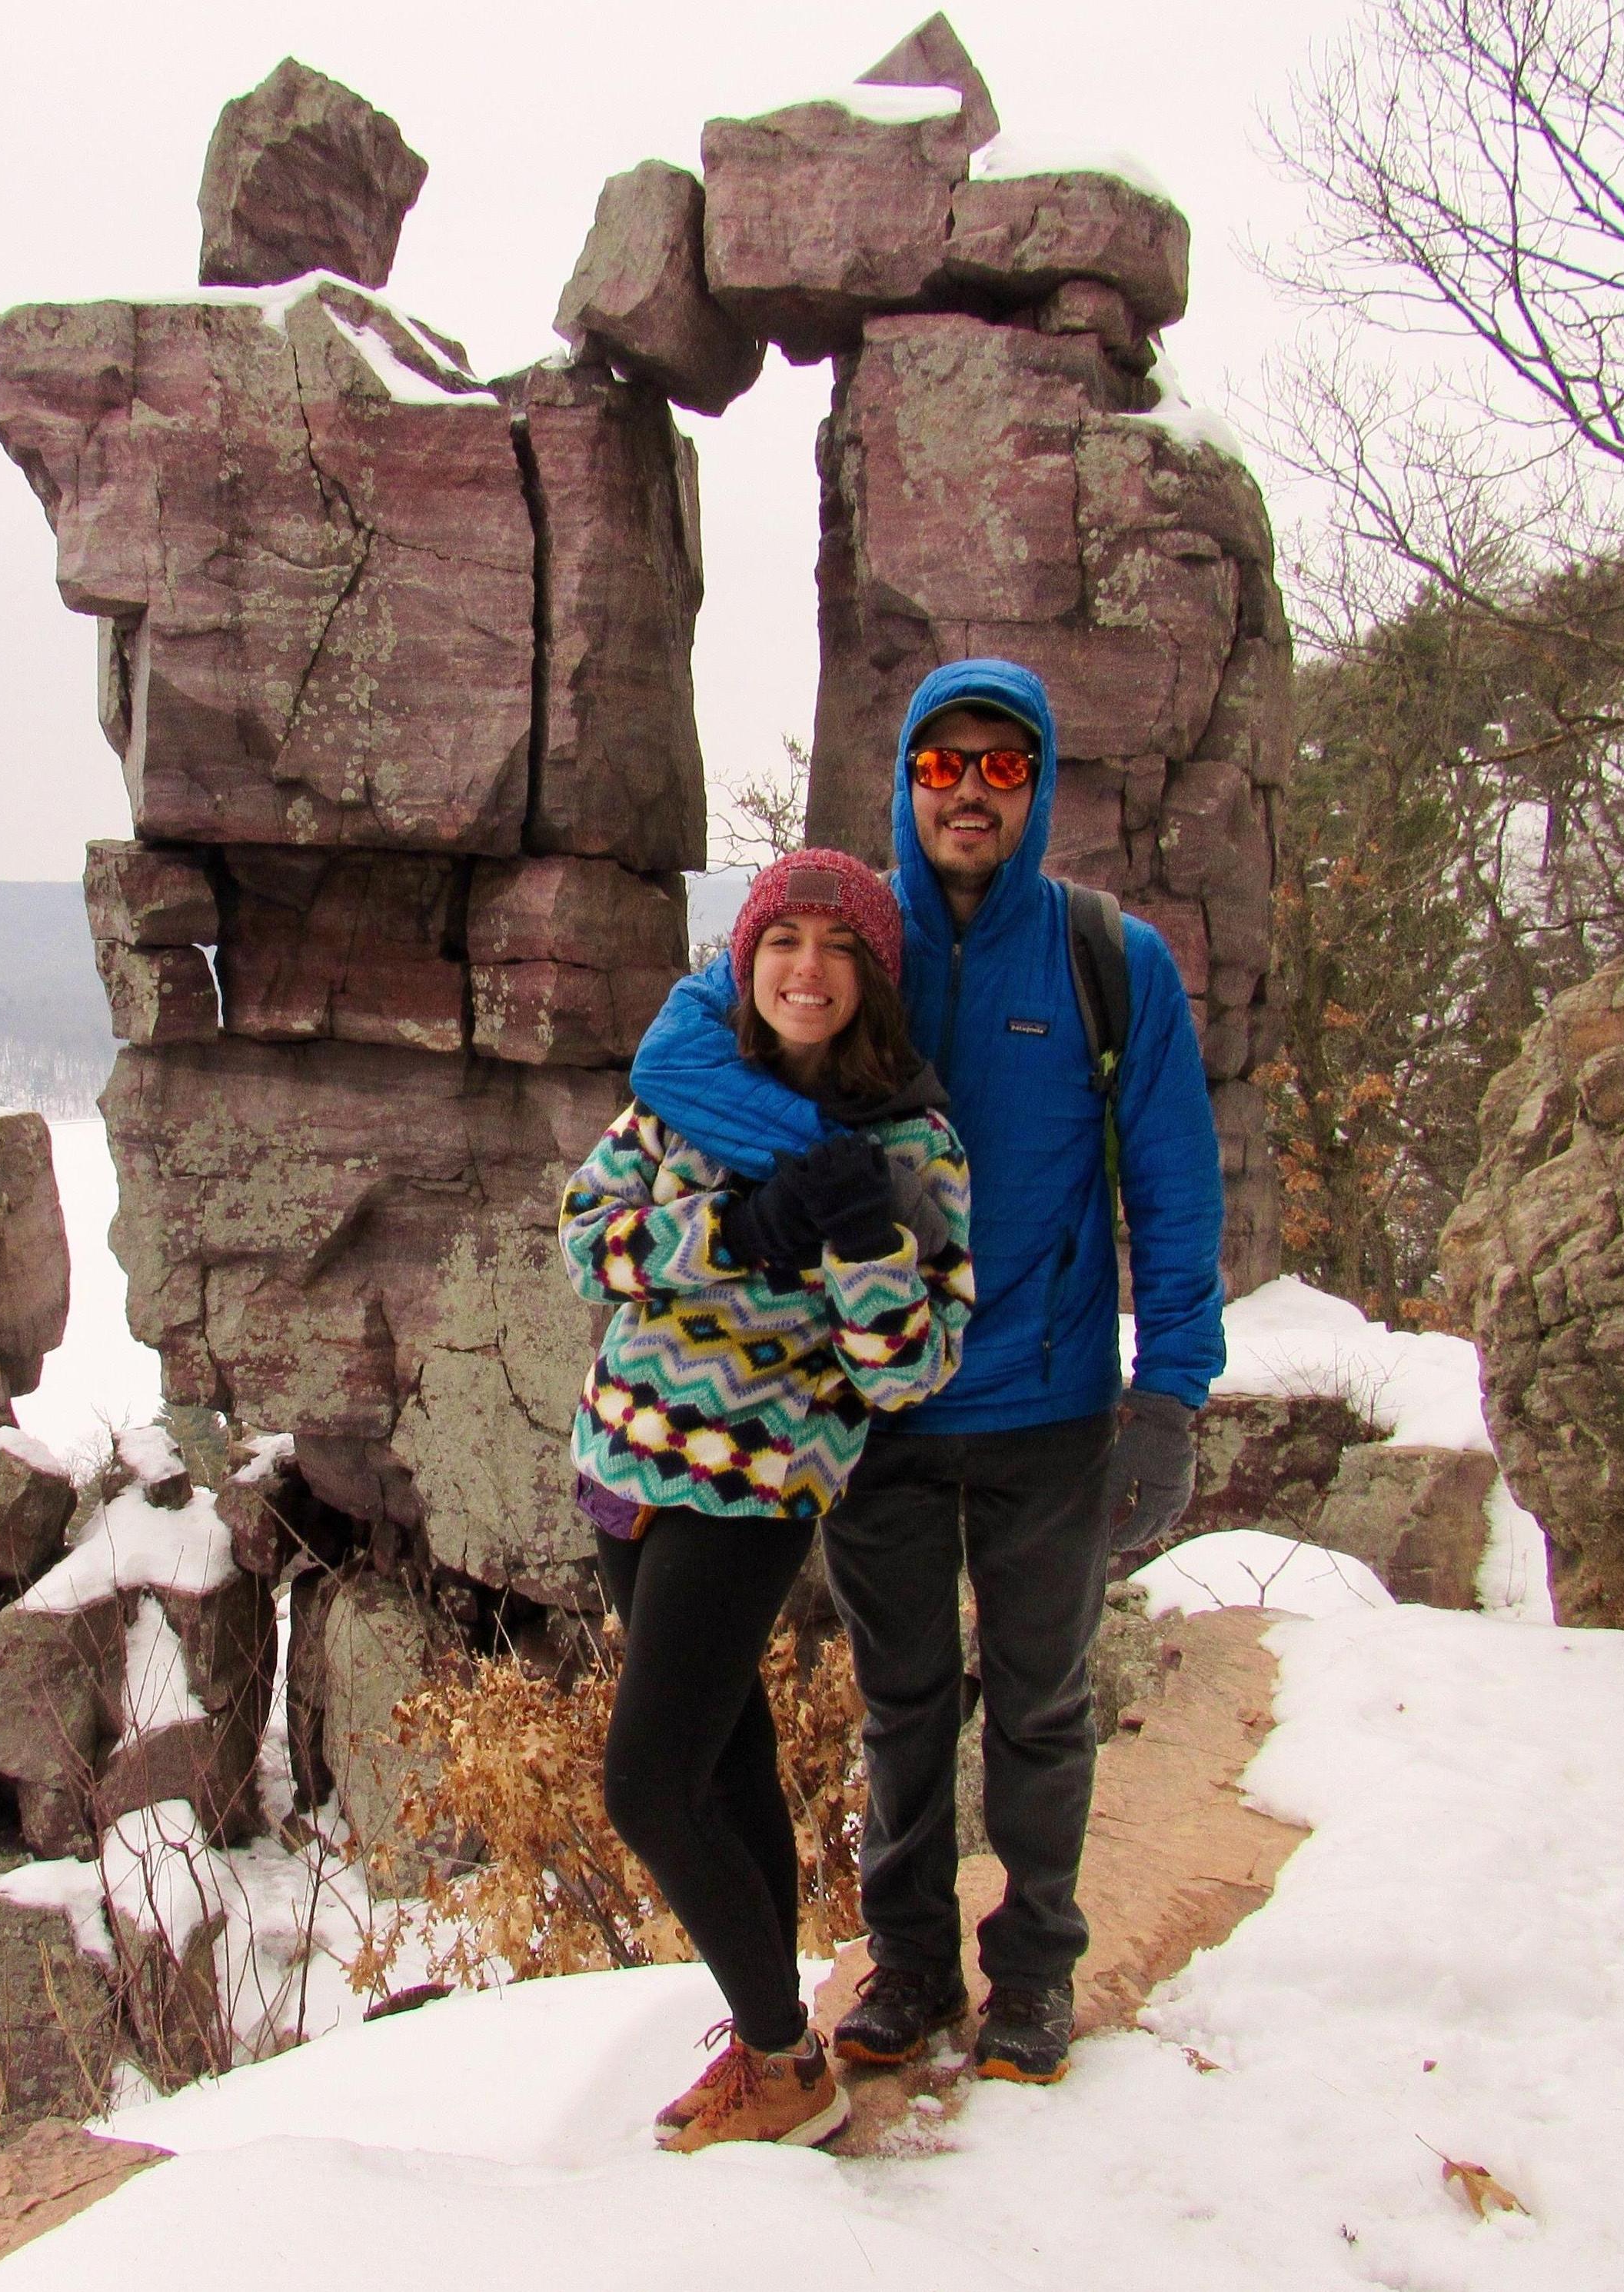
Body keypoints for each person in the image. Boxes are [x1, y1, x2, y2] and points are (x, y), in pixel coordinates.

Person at [629, 659, 1224, 2085]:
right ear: (906, 779)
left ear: (1039, 786)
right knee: (902, 1703)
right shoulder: (853, 948)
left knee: (1039, 1702)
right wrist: (797, 1176)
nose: (969, 791)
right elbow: (669, 1054)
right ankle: (908, 1970)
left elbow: (1174, 1182)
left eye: (1001, 768)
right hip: (873, 1404)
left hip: (1050, 1398)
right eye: (943, 767)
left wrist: (1173, 1388)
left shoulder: (1106, 960)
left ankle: (1032, 1974)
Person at [558, 847, 975, 2154]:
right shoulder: (693, 1095)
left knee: (647, 1786)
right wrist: (735, 1234)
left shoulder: (909, 1147)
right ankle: (768, 2042)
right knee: (724, 1771)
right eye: (783, 941)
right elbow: (588, 1240)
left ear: (870, 978)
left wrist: (856, 1242)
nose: (807, 969)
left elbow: (909, 1365)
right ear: (748, 960)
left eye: (838, 947)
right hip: (628, 1467)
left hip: (752, 1491)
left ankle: (788, 2063)